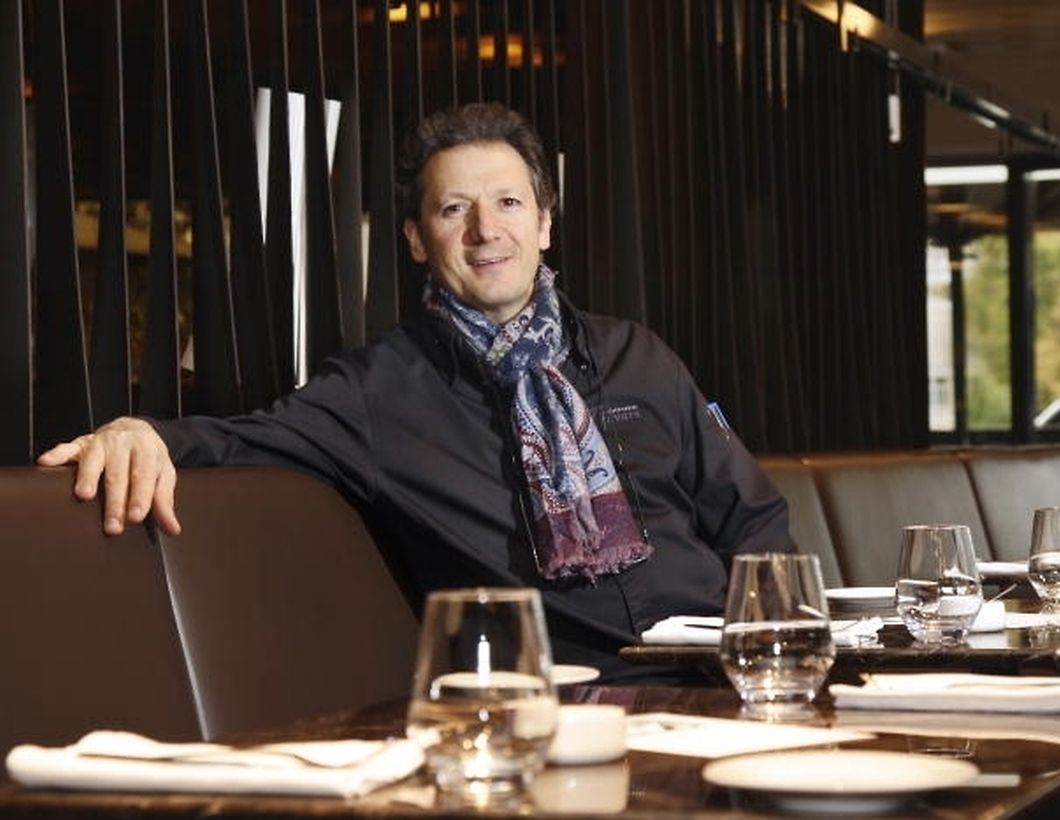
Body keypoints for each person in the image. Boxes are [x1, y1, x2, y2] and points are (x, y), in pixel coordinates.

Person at [39, 102, 794, 680]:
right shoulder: (378, 394)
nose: (485, 231)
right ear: (415, 239)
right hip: (564, 702)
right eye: (453, 209)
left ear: (544, 224)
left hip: (722, 680)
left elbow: (753, 518)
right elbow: (244, 438)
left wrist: (776, 654)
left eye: (508, 203)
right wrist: (141, 434)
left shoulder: (639, 355)